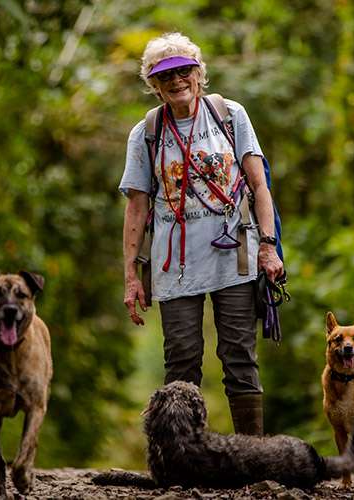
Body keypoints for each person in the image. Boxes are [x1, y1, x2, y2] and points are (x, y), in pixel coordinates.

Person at [120, 32, 284, 435]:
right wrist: (130, 277)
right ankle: (182, 454)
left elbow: (259, 185)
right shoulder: (146, 132)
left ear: (199, 73)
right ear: (153, 85)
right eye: (165, 75)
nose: (177, 80)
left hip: (236, 254)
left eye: (184, 70)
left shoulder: (230, 115)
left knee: (239, 356)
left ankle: (253, 454)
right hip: (173, 265)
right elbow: (137, 207)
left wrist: (268, 246)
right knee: (181, 360)